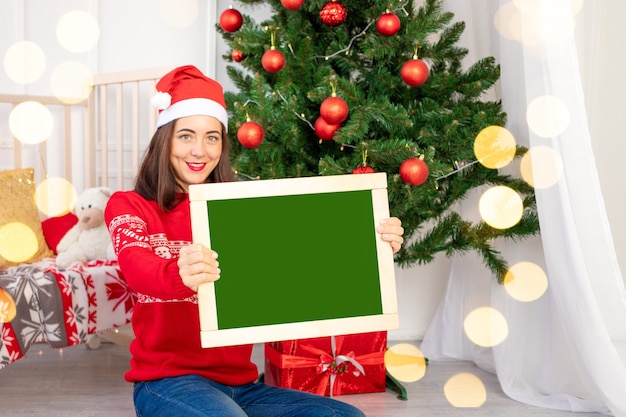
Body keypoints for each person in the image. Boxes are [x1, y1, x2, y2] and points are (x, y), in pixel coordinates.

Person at [104, 65, 405, 417]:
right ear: (164, 138)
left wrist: (370, 241)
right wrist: (178, 272)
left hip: (242, 387)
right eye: (186, 135)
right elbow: (137, 268)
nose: (199, 150)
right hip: (167, 382)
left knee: (346, 416)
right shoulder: (129, 205)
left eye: (212, 137)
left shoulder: (240, 206)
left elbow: (302, 260)